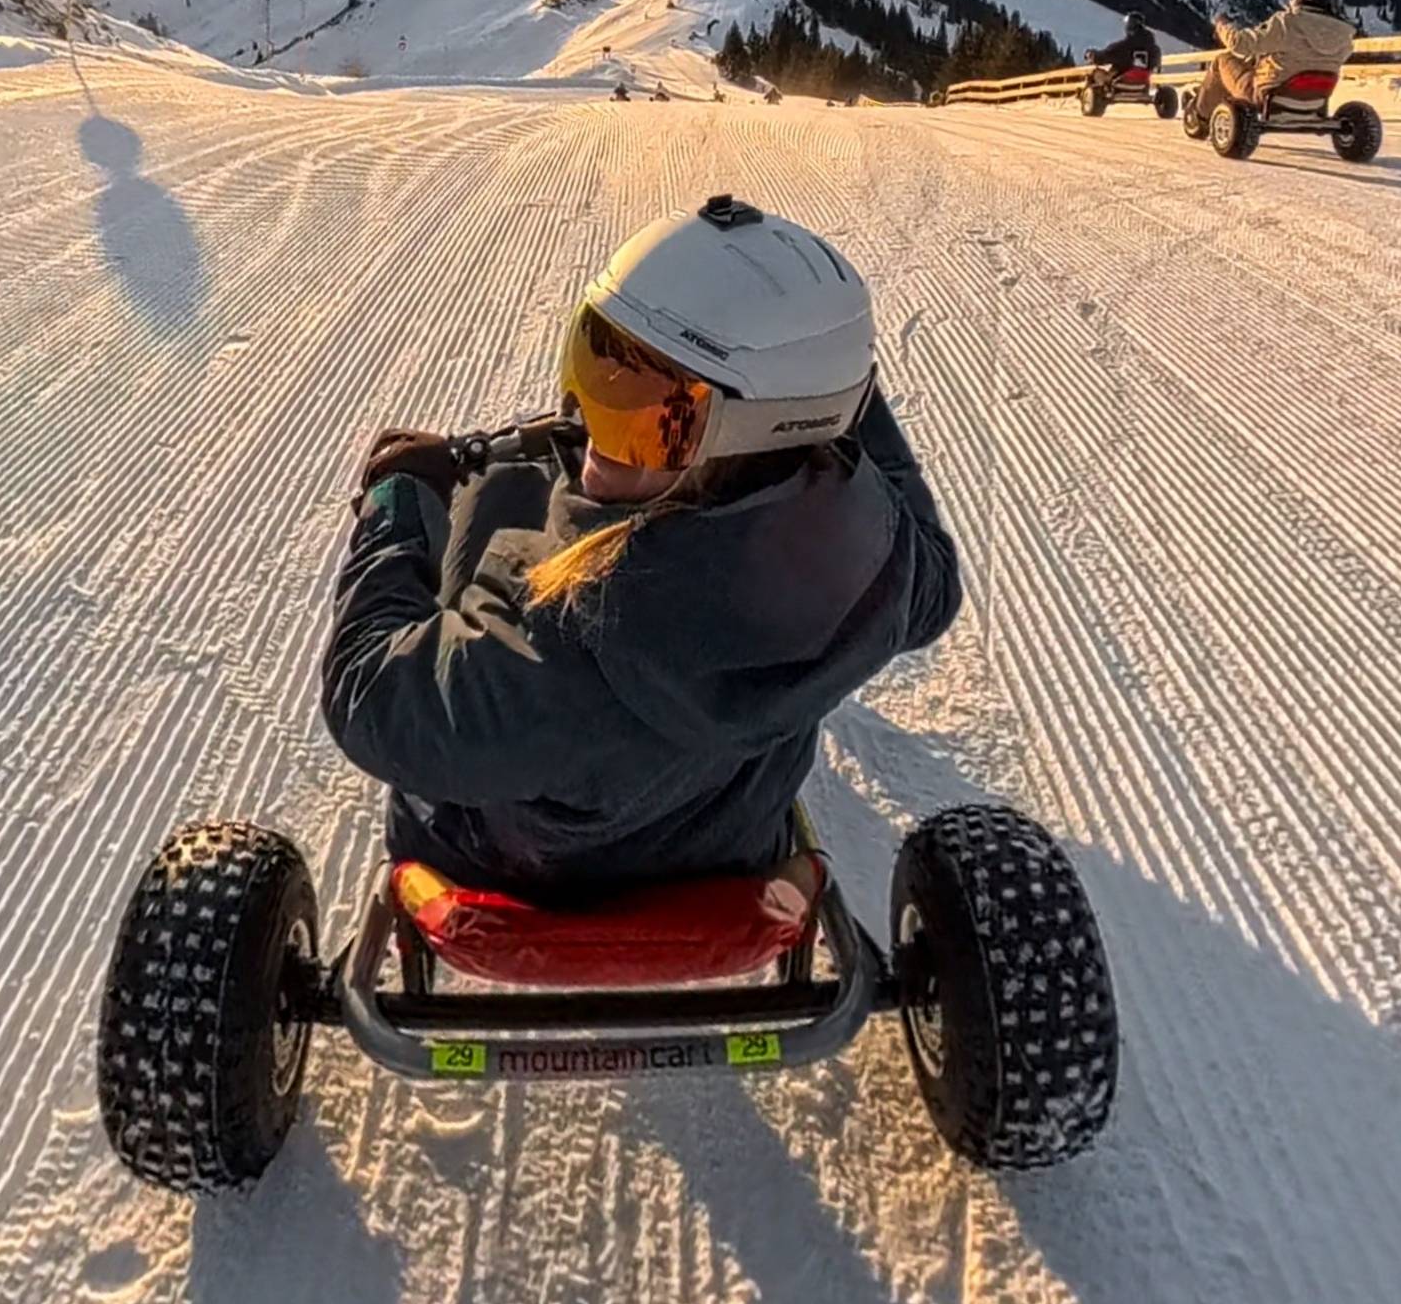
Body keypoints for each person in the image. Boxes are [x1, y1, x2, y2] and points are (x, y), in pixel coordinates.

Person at [321, 197, 963, 898]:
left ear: (760, 427)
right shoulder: (877, 562)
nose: (595, 432)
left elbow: (368, 699)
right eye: (596, 368)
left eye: (656, 418)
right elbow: (931, 588)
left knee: (502, 490)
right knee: (552, 486)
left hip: (518, 866)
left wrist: (396, 510)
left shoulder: (559, 641)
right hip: (738, 838)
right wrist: (834, 385)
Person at [1189, 0, 1356, 126]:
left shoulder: (1287, 23)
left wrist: (1222, 26)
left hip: (1268, 97)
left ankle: (1199, 117)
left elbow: (1239, 43)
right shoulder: (1345, 33)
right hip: (1317, 99)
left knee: (1223, 61)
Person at [1085, 12, 1158, 92]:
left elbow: (1105, 56)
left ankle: (1092, 97)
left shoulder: (1125, 46)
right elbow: (1155, 65)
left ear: (1130, 25)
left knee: (1096, 73)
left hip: (1123, 82)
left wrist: (1093, 55)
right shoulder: (1153, 48)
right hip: (1144, 82)